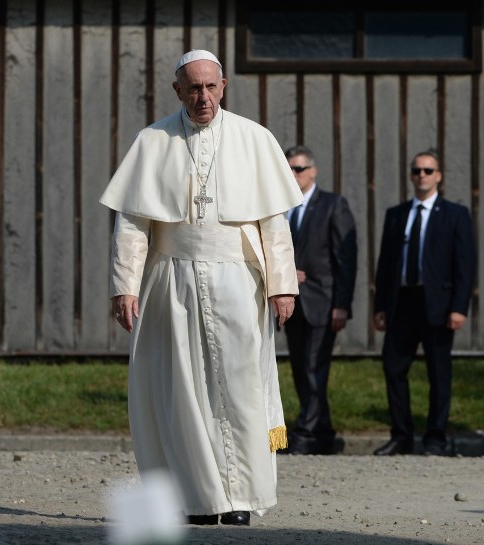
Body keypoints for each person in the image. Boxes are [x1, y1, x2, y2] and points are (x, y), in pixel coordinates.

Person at [99, 50, 303, 526]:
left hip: (238, 280)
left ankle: (240, 498)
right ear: (177, 91)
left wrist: (283, 286)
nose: (203, 96)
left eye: (211, 87)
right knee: (182, 391)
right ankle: (195, 498)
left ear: (224, 86)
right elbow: (132, 222)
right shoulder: (153, 140)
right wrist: (124, 286)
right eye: (193, 88)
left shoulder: (255, 139)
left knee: (240, 388)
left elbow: (274, 224)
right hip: (173, 280)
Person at [371, 151, 476, 456]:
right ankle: (401, 435)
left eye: (428, 171)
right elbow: (385, 263)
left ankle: (435, 437)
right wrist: (380, 305)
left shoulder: (455, 214)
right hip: (402, 301)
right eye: (417, 171)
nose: (422, 176)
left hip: (438, 305)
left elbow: (465, 265)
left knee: (438, 372)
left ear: (439, 175)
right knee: (393, 367)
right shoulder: (397, 214)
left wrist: (459, 307)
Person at [282, 145, 357, 455]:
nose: (293, 174)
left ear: (312, 171)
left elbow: (346, 258)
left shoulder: (332, 205)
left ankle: (306, 432)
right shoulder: (281, 205)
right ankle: (323, 431)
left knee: (314, 367)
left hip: (322, 302)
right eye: (288, 168)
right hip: (290, 302)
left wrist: (342, 303)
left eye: (298, 169)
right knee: (301, 368)